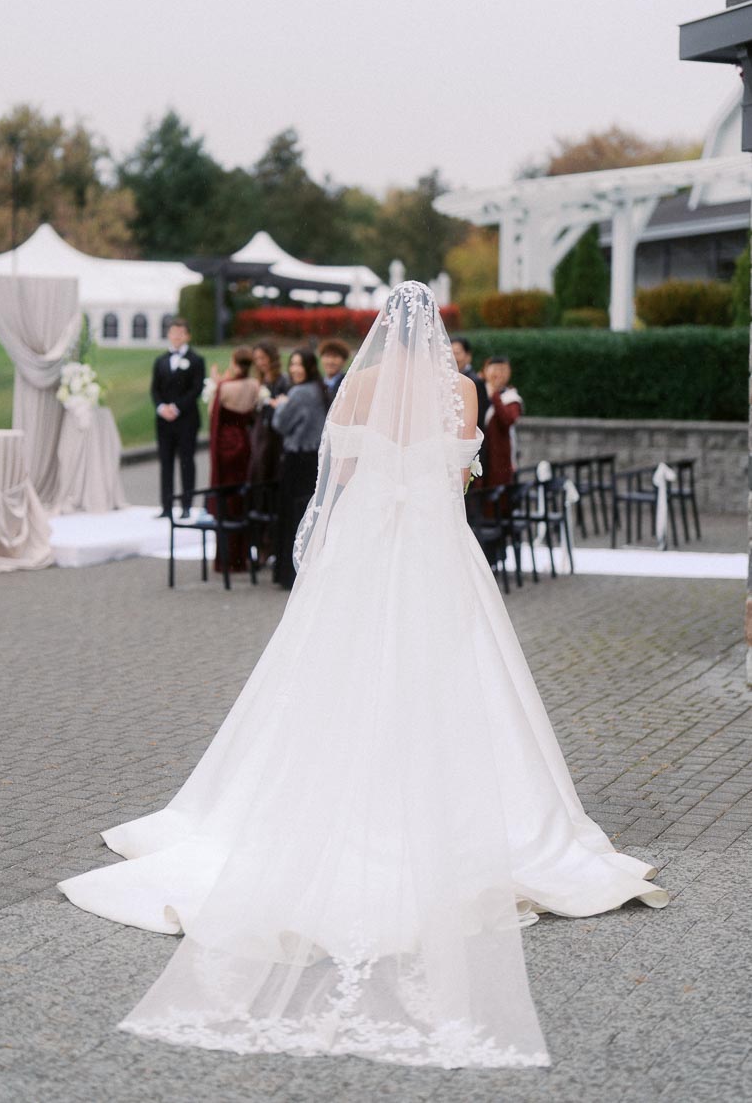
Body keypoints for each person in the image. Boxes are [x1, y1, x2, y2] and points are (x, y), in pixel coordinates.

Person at [59, 282, 667, 1072]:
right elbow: (460, 482)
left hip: (365, 554)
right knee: (458, 685)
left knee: (323, 685)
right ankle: (468, 816)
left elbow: (333, 481)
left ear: (381, 333)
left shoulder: (357, 387)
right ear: (436, 331)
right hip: (437, 556)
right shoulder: (460, 391)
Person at [270, 348, 328, 590]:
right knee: (308, 513)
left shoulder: (299, 392)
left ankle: (288, 572)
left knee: (291, 516)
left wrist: (281, 405)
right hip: (315, 458)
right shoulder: (321, 390)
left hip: (297, 459)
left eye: (299, 364)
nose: (294, 369)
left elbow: (280, 424)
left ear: (309, 367)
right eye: (291, 364)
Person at [207, 346, 259, 572]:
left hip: (226, 444)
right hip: (244, 442)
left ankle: (226, 558)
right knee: (240, 498)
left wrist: (217, 383)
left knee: (225, 499)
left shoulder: (225, 387)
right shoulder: (255, 385)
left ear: (235, 363)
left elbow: (212, 413)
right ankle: (241, 555)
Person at [150, 319, 205, 518]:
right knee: (166, 463)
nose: (176, 337)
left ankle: (187, 505)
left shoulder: (196, 360)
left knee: (186, 461)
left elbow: (196, 389)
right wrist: (161, 407)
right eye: (173, 333)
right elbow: (154, 388)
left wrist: (176, 407)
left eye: (180, 333)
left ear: (187, 336)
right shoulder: (161, 361)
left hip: (186, 420)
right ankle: (166, 505)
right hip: (164, 421)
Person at [247, 339, 290, 486]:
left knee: (269, 465)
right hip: (260, 428)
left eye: (263, 358)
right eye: (257, 359)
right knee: (258, 466)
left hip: (274, 432)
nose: (260, 362)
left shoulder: (282, 380)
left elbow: (284, 404)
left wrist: (271, 403)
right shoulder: (260, 380)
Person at [482, 354, 523, 488]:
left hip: (499, 459)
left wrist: (495, 396)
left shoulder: (511, 398)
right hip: (480, 453)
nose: (498, 374)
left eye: (503, 370)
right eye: (495, 370)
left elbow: (507, 420)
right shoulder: (478, 390)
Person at [451, 336, 489, 478]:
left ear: (468, 356)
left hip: (469, 447)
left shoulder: (473, 381)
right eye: (451, 352)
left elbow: (478, 419)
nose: (454, 357)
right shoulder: (443, 380)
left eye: (458, 353)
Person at [318, 337, 350, 404]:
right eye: (327, 356)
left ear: (344, 361)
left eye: (335, 356)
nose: (330, 361)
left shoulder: (348, 384)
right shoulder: (316, 383)